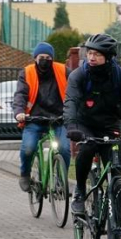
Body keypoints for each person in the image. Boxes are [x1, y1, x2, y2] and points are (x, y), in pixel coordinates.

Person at [63, 33, 121, 214]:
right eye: (89, 53)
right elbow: (71, 100)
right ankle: (80, 191)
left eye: (97, 54)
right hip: (84, 123)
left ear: (109, 57)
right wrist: (71, 125)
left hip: (110, 125)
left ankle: (118, 212)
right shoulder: (79, 76)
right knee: (87, 148)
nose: (91, 58)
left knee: (115, 167)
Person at [13, 42, 71, 191]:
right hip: (34, 118)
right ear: (35, 58)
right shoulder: (27, 72)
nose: (45, 60)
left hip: (59, 118)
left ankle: (60, 179)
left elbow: (74, 90)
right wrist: (19, 112)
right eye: (41, 57)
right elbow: (21, 94)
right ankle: (25, 174)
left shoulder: (63, 71)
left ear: (52, 58)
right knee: (28, 148)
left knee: (64, 148)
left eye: (48, 57)